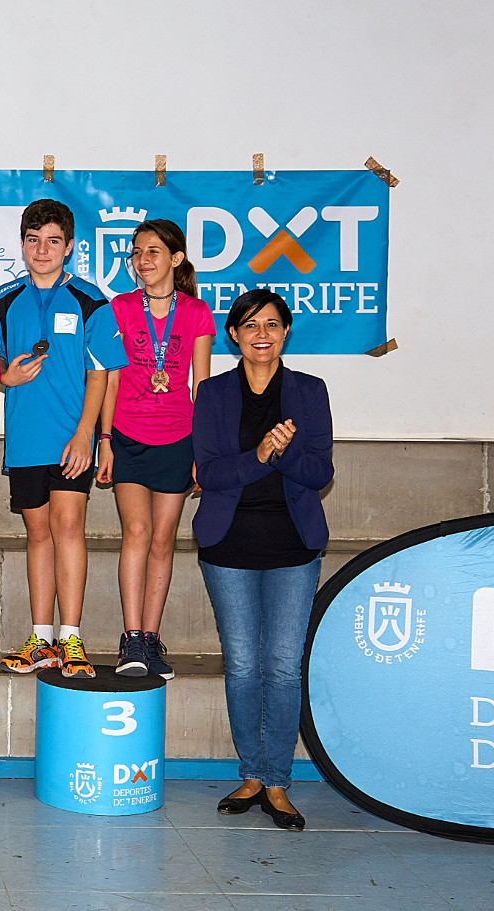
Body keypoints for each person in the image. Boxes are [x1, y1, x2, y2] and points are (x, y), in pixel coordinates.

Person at [192, 289, 333, 831]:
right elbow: (211, 474)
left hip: (292, 546)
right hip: (228, 545)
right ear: (233, 334)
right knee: (244, 666)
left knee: (281, 666)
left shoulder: (310, 391)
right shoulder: (212, 393)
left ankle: (277, 781)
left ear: (285, 332)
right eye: (250, 325)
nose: (262, 334)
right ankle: (251, 774)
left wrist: (286, 451)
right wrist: (260, 455)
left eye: (272, 324)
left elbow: (319, 473)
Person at [0, 199, 128, 677]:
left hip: (71, 440)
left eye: (52, 241)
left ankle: (71, 638)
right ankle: (40, 639)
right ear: (22, 244)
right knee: (38, 534)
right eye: (33, 240)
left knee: (68, 528)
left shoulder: (90, 299)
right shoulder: (3, 300)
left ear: (69, 247)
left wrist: (90, 435)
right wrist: (5, 378)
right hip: (26, 441)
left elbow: (101, 373)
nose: (42, 250)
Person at [97, 219, 214, 679]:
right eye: (136, 252)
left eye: (152, 252)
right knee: (138, 531)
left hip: (178, 439)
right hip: (127, 435)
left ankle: (150, 638)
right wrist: (105, 440)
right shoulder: (120, 308)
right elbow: (110, 379)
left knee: (163, 540)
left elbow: (201, 385)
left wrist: (203, 450)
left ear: (176, 258)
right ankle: (130, 639)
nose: (142, 260)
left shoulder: (197, 312)